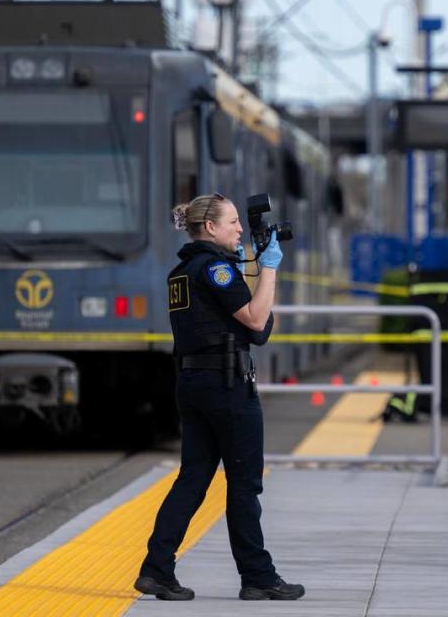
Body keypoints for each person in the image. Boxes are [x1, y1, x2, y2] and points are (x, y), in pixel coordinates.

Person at [133, 193, 305, 602]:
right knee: (244, 484)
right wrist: (268, 270)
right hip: (227, 387)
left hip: (194, 384)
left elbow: (254, 331)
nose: (240, 230)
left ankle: (156, 569)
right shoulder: (216, 271)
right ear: (210, 227)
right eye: (232, 223)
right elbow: (258, 321)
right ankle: (258, 576)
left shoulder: (183, 271)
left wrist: (254, 288)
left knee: (192, 480)